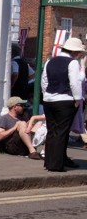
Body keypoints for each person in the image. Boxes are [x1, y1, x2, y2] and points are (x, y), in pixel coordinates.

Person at [40, 36, 85, 172]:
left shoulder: (50, 61)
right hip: (65, 100)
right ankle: (56, 165)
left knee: (51, 131)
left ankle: (49, 162)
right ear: (75, 52)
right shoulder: (72, 63)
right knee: (61, 133)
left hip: (48, 100)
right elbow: (75, 83)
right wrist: (77, 99)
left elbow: (44, 81)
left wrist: (46, 95)